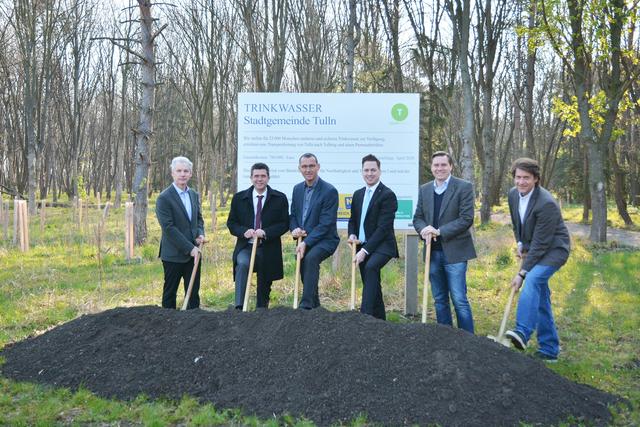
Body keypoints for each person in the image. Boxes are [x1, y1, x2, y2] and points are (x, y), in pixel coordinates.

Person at [505, 158, 570, 362]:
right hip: (534, 247)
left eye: (526, 178)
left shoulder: (546, 203)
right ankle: (549, 349)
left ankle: (523, 331)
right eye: (518, 177)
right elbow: (518, 225)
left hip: (554, 249)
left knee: (532, 280)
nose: (521, 182)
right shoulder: (513, 195)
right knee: (540, 297)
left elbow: (542, 244)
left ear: (535, 179)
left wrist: (521, 273)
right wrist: (520, 244)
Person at [412, 151, 476, 333]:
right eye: (436, 165)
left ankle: (468, 339)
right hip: (432, 252)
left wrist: (439, 231)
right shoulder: (425, 189)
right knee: (439, 299)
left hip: (455, 252)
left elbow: (466, 219)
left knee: (459, 298)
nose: (439, 169)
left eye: (443, 165)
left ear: (450, 167)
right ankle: (445, 337)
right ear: (432, 168)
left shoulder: (463, 187)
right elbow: (418, 217)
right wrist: (423, 229)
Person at [227, 163, 289, 309]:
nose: (259, 179)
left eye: (263, 176)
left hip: (268, 247)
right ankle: (240, 306)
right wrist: (243, 231)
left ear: (268, 177)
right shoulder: (239, 198)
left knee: (264, 272)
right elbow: (231, 223)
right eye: (256, 176)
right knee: (242, 264)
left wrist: (266, 232)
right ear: (251, 178)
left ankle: (261, 309)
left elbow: (284, 224)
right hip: (246, 246)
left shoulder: (279, 198)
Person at [347, 154, 399, 320]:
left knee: (370, 268)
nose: (369, 173)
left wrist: (365, 251)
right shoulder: (358, 194)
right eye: (366, 170)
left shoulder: (387, 195)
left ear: (379, 171)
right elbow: (353, 220)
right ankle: (379, 322)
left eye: (373, 170)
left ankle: (365, 317)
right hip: (362, 244)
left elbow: (383, 229)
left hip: (383, 245)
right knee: (372, 282)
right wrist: (352, 234)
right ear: (362, 172)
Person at [290, 153, 339, 309]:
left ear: (318, 167)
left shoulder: (329, 191)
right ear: (299, 169)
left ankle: (305, 306)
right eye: (304, 166)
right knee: (303, 261)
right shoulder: (297, 189)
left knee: (310, 258)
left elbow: (326, 224)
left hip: (326, 239)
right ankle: (315, 307)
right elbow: (293, 215)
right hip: (304, 240)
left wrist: (307, 243)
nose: (308, 169)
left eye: (311, 166)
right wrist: (294, 228)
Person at [155, 156, 205, 309]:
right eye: (179, 171)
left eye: (186, 171)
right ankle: (168, 324)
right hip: (173, 254)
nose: (182, 174)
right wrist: (189, 248)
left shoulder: (193, 195)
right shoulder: (164, 198)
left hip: (194, 253)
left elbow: (198, 218)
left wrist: (200, 233)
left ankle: (193, 324)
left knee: (192, 293)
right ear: (172, 173)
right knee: (170, 292)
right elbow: (168, 228)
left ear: (190, 174)